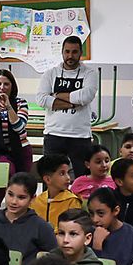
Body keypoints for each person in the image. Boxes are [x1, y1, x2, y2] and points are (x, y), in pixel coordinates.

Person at [34, 35, 96, 176]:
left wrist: (56, 95)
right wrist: (74, 103)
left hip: (80, 136)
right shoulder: (50, 74)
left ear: (80, 53)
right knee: (51, 177)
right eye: (67, 51)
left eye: (74, 52)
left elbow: (86, 96)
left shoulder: (90, 74)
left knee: (82, 179)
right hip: (54, 134)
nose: (70, 56)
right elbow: (41, 99)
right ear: (62, 52)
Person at [0, 172, 57, 265]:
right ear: (5, 191)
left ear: (32, 198)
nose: (13, 201)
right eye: (10, 194)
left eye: (21, 197)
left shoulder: (41, 226)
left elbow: (56, 258)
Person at [29, 153, 82, 229]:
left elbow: (74, 228)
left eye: (68, 172)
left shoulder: (72, 201)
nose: (68, 177)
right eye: (62, 173)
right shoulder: (36, 202)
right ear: (47, 179)